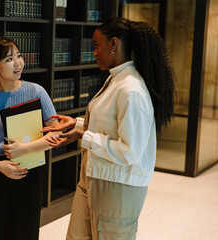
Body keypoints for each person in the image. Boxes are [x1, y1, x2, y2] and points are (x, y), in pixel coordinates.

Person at [42, 17, 175, 240]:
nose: (93, 52)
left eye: (96, 45)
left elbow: (129, 151)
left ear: (113, 43)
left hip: (117, 186)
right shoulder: (115, 80)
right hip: (92, 176)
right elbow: (111, 126)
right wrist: (76, 123)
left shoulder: (131, 90)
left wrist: (83, 136)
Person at [0, 36, 59, 240]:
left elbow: (56, 132)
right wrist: (0, 166)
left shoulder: (36, 91)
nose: (18, 63)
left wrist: (26, 149)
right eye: (9, 59)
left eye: (18, 56)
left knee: (26, 232)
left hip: (30, 169)